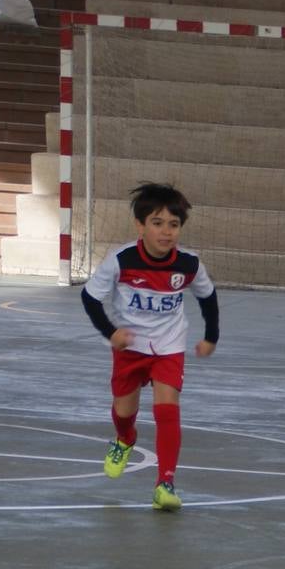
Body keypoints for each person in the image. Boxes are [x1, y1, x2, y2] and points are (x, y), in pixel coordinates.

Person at [81, 182, 220, 512]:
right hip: (129, 345)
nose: (166, 231)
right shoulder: (121, 259)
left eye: (174, 224)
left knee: (167, 407)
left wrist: (211, 336)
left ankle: (165, 483)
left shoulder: (188, 264)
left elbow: (208, 298)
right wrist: (110, 332)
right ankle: (125, 439)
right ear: (140, 226)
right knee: (124, 411)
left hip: (169, 345)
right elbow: (89, 297)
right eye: (157, 223)